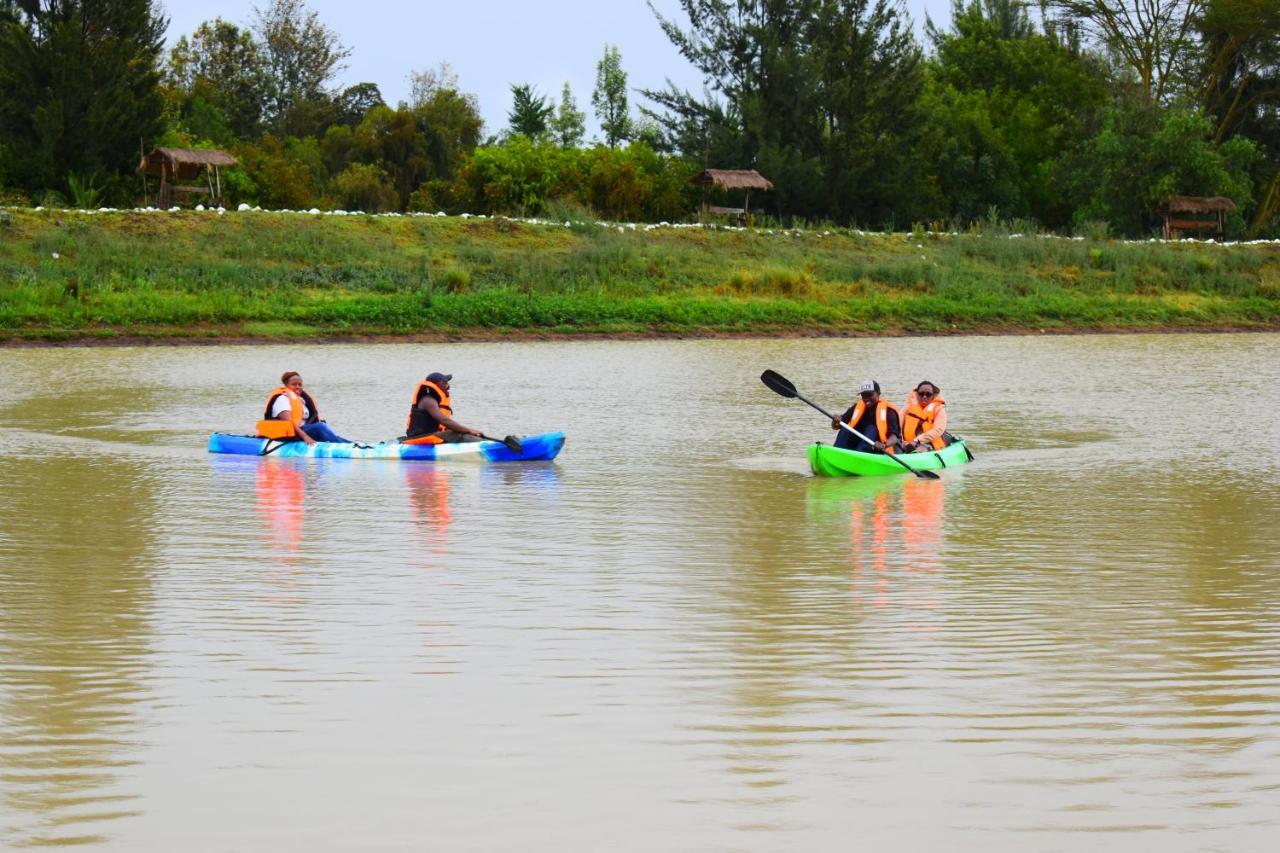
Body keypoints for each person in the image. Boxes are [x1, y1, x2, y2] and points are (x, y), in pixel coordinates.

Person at [255, 371, 354, 445]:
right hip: (289, 434)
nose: (298, 387)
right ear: (286, 386)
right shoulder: (282, 399)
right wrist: (305, 437)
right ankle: (344, 446)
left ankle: (351, 445)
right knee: (320, 427)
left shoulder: (301, 400)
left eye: (300, 384)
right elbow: (289, 422)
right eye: (294, 384)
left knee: (322, 426)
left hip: (301, 432)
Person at [403, 372, 485, 444]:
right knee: (461, 435)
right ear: (436, 385)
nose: (448, 386)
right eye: (444, 383)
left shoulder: (434, 400)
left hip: (430, 435)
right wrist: (469, 430)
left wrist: (464, 431)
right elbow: (444, 420)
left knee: (461, 433)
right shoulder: (428, 401)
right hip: (420, 438)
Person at [832, 379, 902, 453]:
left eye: (870, 395)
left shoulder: (889, 411)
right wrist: (835, 421)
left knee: (871, 429)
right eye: (864, 396)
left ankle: (859, 455)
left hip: (883, 449)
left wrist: (884, 445)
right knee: (846, 428)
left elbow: (894, 438)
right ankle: (837, 451)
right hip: (862, 445)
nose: (866, 399)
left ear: (878, 394)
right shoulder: (857, 407)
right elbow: (837, 426)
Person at [901, 381, 950, 452]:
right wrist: (902, 441)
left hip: (928, 443)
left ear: (933, 395)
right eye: (921, 394)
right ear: (917, 394)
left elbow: (938, 430)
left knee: (921, 449)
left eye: (928, 394)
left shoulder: (939, 409)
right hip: (906, 443)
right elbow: (897, 425)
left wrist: (917, 441)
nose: (924, 397)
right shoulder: (908, 407)